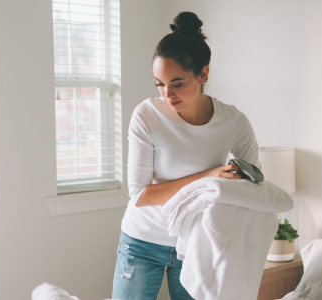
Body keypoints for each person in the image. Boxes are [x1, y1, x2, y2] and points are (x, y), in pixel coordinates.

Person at [111, 11, 261, 300]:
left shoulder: (233, 121)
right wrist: (208, 176)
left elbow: (252, 187)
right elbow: (141, 195)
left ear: (203, 74)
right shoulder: (147, 115)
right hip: (140, 241)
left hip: (195, 245)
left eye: (177, 83)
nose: (167, 94)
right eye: (160, 83)